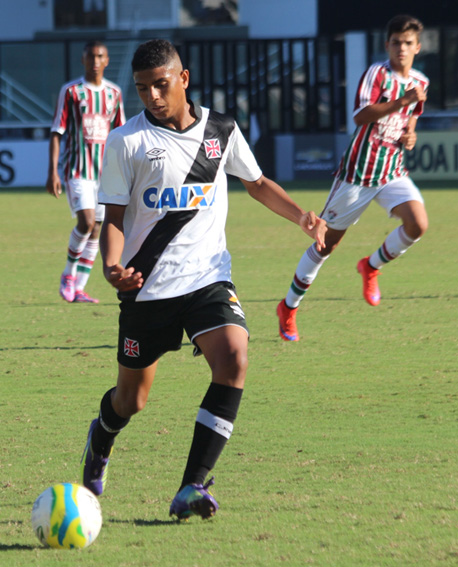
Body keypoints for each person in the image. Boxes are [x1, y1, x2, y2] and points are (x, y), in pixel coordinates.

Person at [79, 39, 326, 521]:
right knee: (131, 400)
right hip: (146, 287)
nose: (152, 96)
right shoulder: (126, 142)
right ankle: (100, 437)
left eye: (161, 84)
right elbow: (114, 218)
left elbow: (256, 184)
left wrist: (301, 216)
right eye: (142, 88)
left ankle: (191, 486)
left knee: (234, 357)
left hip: (208, 278)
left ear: (184, 78)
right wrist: (111, 267)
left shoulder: (221, 130)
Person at [277, 15, 429, 342]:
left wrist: (410, 135)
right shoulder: (377, 74)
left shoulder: (421, 82)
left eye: (407, 43)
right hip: (358, 173)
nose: (401, 48)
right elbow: (360, 116)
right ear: (387, 45)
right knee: (325, 244)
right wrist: (401, 101)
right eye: (396, 43)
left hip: (392, 171)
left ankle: (371, 267)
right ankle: (288, 307)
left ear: (417, 47)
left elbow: (411, 118)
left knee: (418, 224)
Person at [47, 40, 125, 304]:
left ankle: (79, 288)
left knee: (97, 229)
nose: (95, 61)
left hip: (105, 174)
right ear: (83, 60)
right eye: (91, 56)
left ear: (107, 60)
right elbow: (57, 132)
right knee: (87, 222)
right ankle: (68, 275)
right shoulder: (71, 91)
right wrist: (53, 172)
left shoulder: (114, 93)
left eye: (100, 56)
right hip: (77, 170)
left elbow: (121, 133)